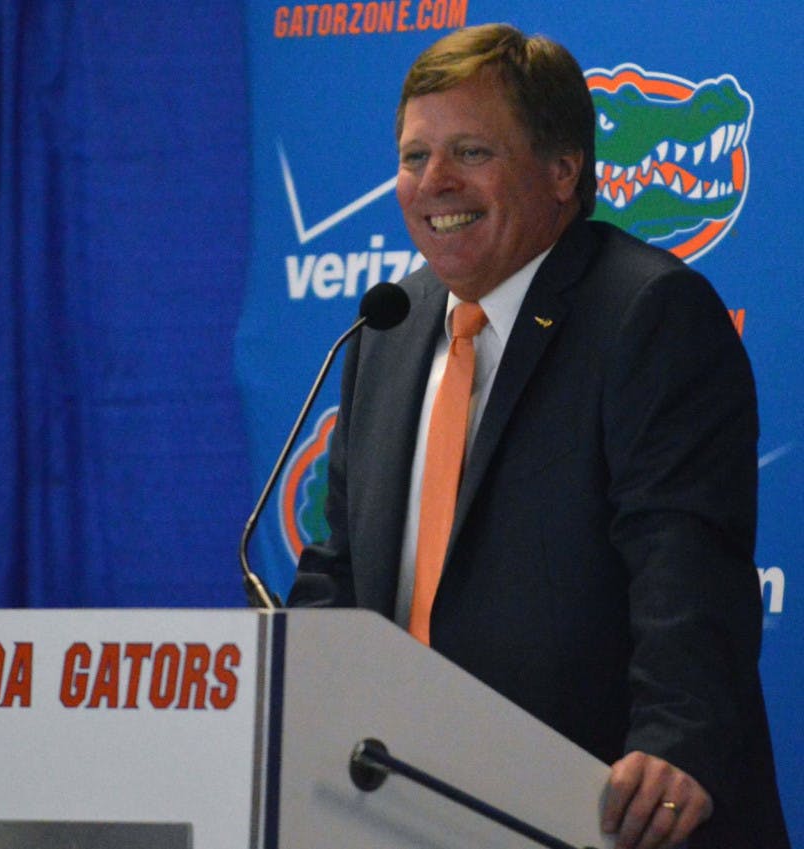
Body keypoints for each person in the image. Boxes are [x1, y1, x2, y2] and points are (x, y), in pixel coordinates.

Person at [287, 23, 789, 849]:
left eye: (471, 152)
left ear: (564, 170)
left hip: (601, 810)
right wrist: (281, 695)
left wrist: (674, 742)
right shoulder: (390, 328)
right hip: (404, 807)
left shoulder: (646, 314)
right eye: (415, 157)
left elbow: (685, 558)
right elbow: (341, 567)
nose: (433, 182)